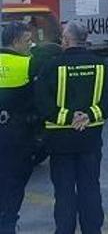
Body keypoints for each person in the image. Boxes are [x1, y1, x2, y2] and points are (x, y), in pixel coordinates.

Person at [35, 21, 108, 234]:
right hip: (90, 139)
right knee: (90, 188)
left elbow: (42, 102)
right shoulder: (102, 65)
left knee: (64, 192)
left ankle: (64, 230)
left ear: (65, 40)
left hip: (59, 142)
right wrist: (89, 115)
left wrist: (68, 118)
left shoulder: (51, 66)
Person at [0, 23, 35, 233]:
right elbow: (37, 101)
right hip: (16, 136)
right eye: (27, 40)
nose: (31, 44)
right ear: (15, 42)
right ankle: (8, 223)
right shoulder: (28, 64)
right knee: (14, 181)